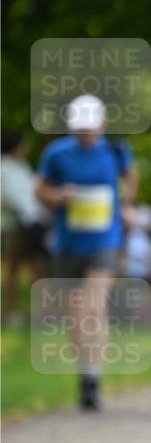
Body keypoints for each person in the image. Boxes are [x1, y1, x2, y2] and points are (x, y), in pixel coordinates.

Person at [35, 95, 138, 410]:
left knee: (91, 306)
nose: (85, 135)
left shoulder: (115, 150)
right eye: (80, 130)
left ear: (102, 125)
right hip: (68, 242)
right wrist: (56, 196)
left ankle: (93, 378)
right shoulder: (57, 154)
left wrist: (125, 205)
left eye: (90, 129)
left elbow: (131, 176)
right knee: (74, 313)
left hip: (105, 240)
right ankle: (86, 372)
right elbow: (39, 190)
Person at [1, 131, 50, 326]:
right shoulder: (3, 167)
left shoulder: (22, 167)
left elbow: (33, 192)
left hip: (31, 223)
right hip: (13, 224)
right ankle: (11, 310)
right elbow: (8, 195)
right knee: (13, 267)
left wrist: (38, 211)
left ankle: (45, 310)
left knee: (38, 265)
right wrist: (27, 209)